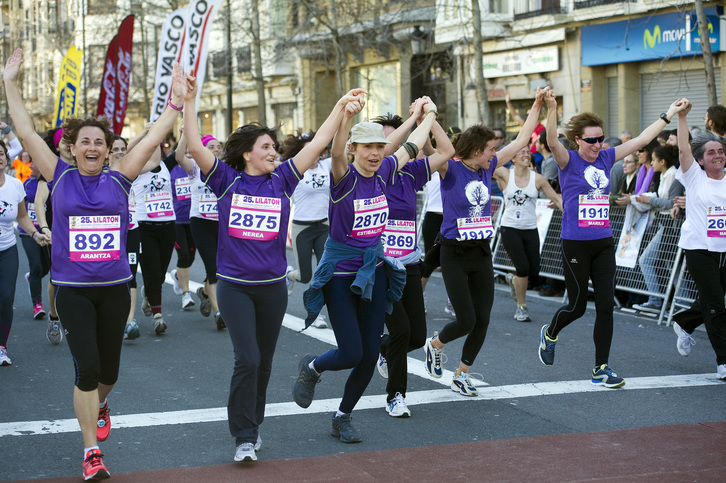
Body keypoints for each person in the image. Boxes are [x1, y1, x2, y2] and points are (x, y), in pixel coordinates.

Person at [4, 49, 189, 479]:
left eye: (99, 142)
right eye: (84, 141)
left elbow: (153, 136)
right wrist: (9, 82)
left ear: (107, 151)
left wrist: (176, 104)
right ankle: (91, 452)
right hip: (72, 291)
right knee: (86, 368)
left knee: (109, 372)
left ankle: (103, 401)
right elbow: (26, 130)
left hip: (113, 289)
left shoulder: (121, 176)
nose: (92, 146)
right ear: (73, 148)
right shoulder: (59, 175)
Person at [184, 70, 365, 462]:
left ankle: (254, 425)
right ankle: (243, 437)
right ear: (247, 153)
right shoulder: (226, 181)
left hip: (272, 287)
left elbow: (318, 143)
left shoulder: (282, 180)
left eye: (275, 148)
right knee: (246, 359)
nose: (273, 153)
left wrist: (339, 107)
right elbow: (195, 145)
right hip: (233, 286)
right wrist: (188, 102)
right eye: (266, 147)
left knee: (263, 363)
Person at [292, 99, 437, 441]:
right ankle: (312, 366)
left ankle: (343, 416)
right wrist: (345, 114)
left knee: (370, 354)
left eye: (379, 147)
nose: (374, 153)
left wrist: (423, 115)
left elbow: (408, 143)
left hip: (375, 270)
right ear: (355, 149)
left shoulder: (386, 170)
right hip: (341, 275)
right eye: (367, 147)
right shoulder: (343, 176)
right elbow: (338, 149)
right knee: (352, 352)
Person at [538, 88, 685, 388]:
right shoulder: (567, 160)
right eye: (591, 140)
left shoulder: (606, 157)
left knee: (606, 306)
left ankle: (600, 368)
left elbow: (642, 140)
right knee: (577, 306)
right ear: (578, 140)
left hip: (604, 241)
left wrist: (668, 113)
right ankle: (550, 333)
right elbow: (552, 140)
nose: (597, 144)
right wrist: (551, 108)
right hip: (575, 242)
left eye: (600, 138)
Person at [421, 87, 549, 399]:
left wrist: (536, 106)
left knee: (483, 319)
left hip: (480, 252)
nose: (496, 153)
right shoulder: (449, 168)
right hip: (453, 252)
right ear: (477, 149)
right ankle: (434, 344)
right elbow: (431, 147)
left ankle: (462, 375)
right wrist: (428, 115)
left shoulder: (488, 167)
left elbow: (521, 139)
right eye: (491, 149)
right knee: (465, 319)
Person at [373, 100, 455, 417]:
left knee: (416, 336)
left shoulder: (411, 173)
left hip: (409, 264)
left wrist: (430, 116)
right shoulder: (373, 174)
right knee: (401, 332)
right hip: (379, 268)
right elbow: (393, 149)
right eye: (384, 141)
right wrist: (412, 123)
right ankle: (396, 396)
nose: (399, 147)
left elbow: (446, 152)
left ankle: (382, 348)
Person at [672, 101, 726, 381]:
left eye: (721, 151)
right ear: (701, 160)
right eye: (711, 152)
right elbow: (683, 149)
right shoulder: (694, 177)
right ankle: (723, 362)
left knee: (712, 299)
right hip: (699, 249)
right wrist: (682, 117)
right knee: (716, 305)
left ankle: (684, 322)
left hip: (724, 250)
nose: (717, 155)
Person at [494, 146, 562, 322]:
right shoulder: (505, 174)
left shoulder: (537, 179)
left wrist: (573, 214)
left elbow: (555, 198)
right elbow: (487, 164)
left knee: (534, 271)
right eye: (521, 152)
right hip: (510, 228)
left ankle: (513, 281)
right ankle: (521, 307)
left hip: (530, 228)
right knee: (522, 268)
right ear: (513, 158)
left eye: (527, 152)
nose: (526, 155)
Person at [0, 138, 50, 366]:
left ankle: (1, 347)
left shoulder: (15, 185)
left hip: (7, 250)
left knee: (6, 298)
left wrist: (35, 234)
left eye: (1, 153)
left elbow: (21, 217)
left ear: (6, 158)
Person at [174, 133, 224, 329]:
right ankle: (219, 312)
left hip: (222, 223)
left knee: (222, 265)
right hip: (201, 223)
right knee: (213, 268)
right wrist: (187, 134)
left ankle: (205, 292)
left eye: (218, 146)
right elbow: (178, 157)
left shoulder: (226, 169)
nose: (216, 149)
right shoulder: (194, 167)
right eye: (211, 147)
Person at [282, 131, 330, 329]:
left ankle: (316, 314)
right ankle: (289, 276)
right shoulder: (294, 170)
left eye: (317, 150)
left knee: (323, 273)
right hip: (302, 227)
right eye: (309, 150)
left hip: (324, 226)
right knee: (305, 276)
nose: (314, 154)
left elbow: (340, 152)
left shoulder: (327, 166)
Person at [631, 144, 683, 314]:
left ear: (662, 161)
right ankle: (680, 302)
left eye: (654, 160)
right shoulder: (664, 176)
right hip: (665, 223)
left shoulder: (674, 176)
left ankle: (658, 301)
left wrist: (650, 201)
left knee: (650, 260)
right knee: (670, 263)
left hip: (671, 224)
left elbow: (672, 202)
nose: (651, 163)